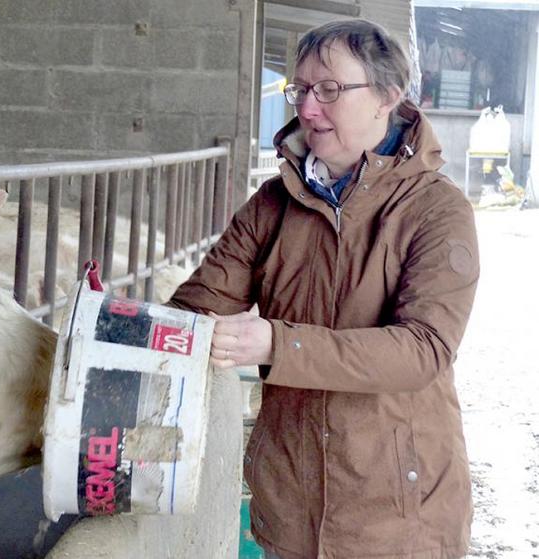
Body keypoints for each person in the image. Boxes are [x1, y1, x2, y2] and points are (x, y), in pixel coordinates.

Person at [168, 19, 479, 559]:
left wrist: (274, 343)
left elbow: (423, 349)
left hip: (399, 521)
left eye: (330, 90)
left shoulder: (436, 210)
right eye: (301, 90)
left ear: (387, 96)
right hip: (291, 508)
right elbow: (195, 309)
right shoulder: (274, 203)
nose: (308, 109)